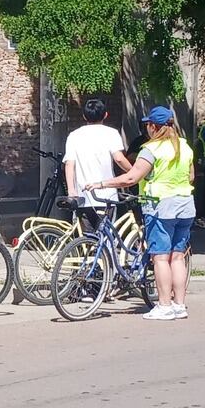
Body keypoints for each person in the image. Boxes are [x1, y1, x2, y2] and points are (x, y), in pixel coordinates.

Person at [83, 106, 195, 320]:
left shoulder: (151, 149)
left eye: (148, 125)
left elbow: (131, 178)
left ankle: (163, 306)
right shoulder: (184, 146)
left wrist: (101, 183)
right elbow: (190, 177)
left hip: (161, 206)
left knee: (160, 258)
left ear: (153, 126)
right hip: (186, 205)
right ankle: (179, 305)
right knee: (177, 257)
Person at [62, 98, 130, 230]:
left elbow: (69, 164)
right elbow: (119, 159)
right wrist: (134, 172)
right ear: (105, 115)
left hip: (82, 196)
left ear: (84, 116)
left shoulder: (74, 135)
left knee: (87, 240)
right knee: (104, 240)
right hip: (107, 196)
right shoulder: (111, 133)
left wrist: (71, 190)